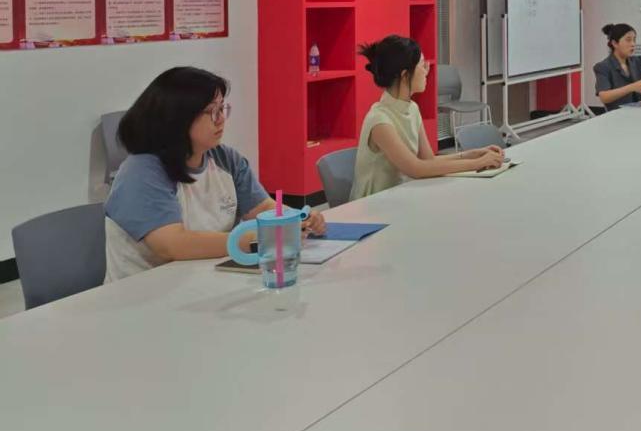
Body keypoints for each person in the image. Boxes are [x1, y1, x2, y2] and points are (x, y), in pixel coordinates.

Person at [104, 67, 325, 282]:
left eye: (222, 109)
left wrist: (297, 219)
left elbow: (263, 208)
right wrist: (255, 239)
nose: (221, 119)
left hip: (203, 281)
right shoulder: (141, 171)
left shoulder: (224, 158)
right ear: (178, 118)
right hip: (144, 292)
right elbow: (172, 245)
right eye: (211, 112)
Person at [351, 35, 503, 199]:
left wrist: (471, 154)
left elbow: (429, 160)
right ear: (405, 75)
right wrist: (477, 163)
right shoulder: (380, 120)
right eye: (422, 65)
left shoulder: (412, 108)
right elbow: (416, 169)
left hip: (400, 196)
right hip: (374, 203)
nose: (427, 71)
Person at [593, 23, 641, 109]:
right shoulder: (603, 66)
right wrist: (631, 87)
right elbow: (604, 97)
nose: (633, 44)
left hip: (639, 111)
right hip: (617, 113)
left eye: (634, 40)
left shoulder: (637, 62)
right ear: (615, 43)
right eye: (628, 40)